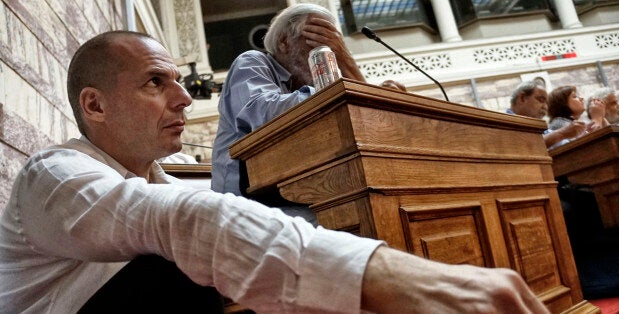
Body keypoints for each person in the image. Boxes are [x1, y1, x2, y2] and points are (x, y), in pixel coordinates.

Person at [0, 31, 549, 313]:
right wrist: (389, 278)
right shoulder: (54, 173)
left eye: (177, 81)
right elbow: (184, 220)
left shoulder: (157, 180)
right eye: (154, 83)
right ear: (94, 106)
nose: (183, 100)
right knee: (179, 262)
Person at [211, 4, 404, 224]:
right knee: (365, 218)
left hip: (294, 196)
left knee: (385, 206)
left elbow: (366, 125)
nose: (329, 56)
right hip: (243, 205)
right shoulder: (253, 62)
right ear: (284, 42)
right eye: (320, 43)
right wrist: (340, 90)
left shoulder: (310, 91)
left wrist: (350, 67)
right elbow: (262, 115)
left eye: (335, 51)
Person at [508, 80, 585, 148]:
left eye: (547, 103)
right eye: (541, 100)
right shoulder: (502, 124)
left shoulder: (542, 128)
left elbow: (566, 146)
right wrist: (561, 133)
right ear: (522, 98)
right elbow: (520, 147)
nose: (545, 107)